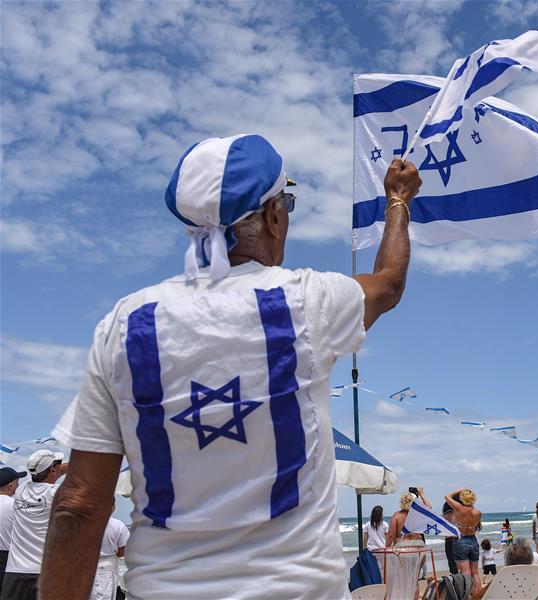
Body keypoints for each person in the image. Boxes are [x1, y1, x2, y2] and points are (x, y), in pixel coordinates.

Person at [41, 135, 422, 599]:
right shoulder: (306, 301)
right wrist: (398, 201)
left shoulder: (125, 325)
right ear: (273, 216)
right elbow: (388, 285)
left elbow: (78, 506)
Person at [2, 450, 67, 600]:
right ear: (53, 470)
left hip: (15, 571)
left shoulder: (21, 491)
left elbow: (46, 472)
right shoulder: (57, 493)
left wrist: (54, 468)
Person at [444, 488, 483, 591]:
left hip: (460, 540)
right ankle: (478, 595)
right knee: (475, 573)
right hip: (473, 540)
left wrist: (459, 490)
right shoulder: (478, 512)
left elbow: (447, 496)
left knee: (466, 574)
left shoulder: (459, 508)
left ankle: (468, 596)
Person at [90, 506, 129, 600]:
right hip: (108, 572)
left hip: (86, 573)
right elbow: (123, 552)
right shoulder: (118, 525)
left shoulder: (83, 524)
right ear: (113, 508)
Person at [0, 467, 26, 591]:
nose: (18, 484)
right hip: (7, 560)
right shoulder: (15, 506)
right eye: (17, 481)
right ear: (11, 485)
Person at [442, 502, 459, 575]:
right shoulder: (457, 514)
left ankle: (456, 580)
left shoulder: (443, 516)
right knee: (461, 561)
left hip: (448, 540)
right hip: (457, 538)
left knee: (452, 563)